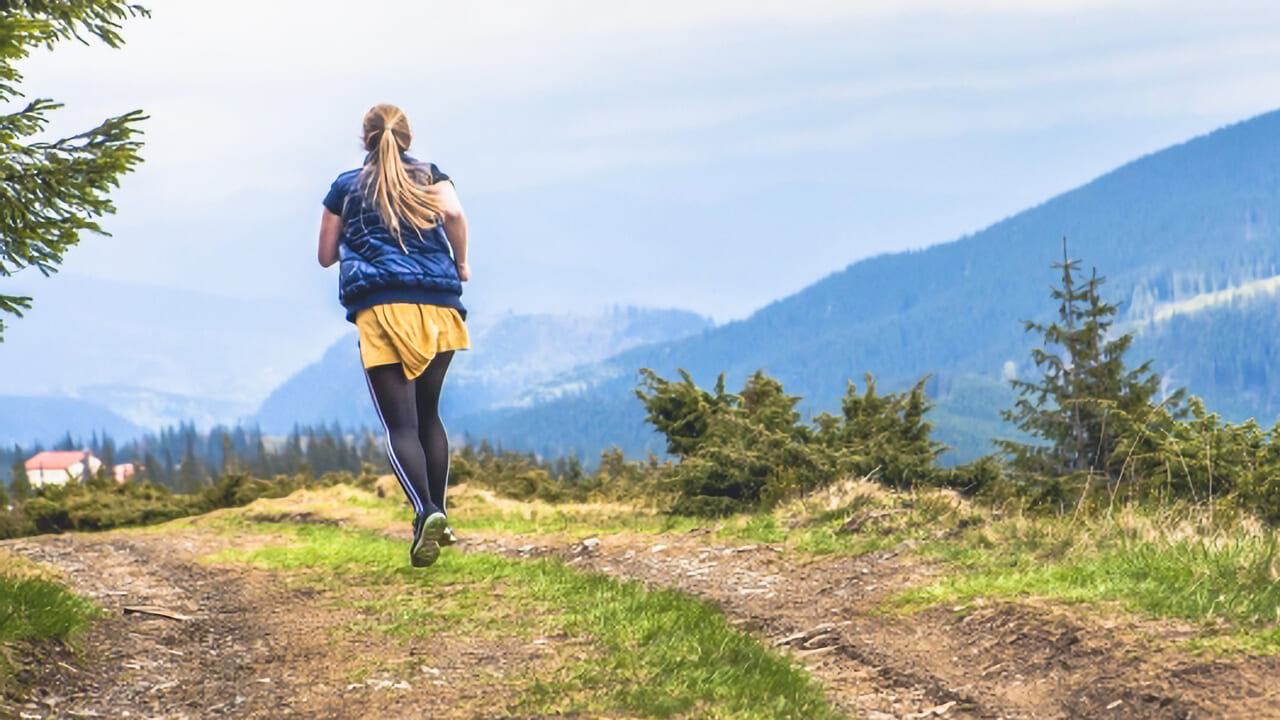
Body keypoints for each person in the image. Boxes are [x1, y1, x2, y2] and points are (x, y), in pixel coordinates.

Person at [317, 103, 471, 568]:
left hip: (382, 308)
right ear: (407, 137)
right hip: (439, 307)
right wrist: (460, 264)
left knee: (400, 425)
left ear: (365, 139)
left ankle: (425, 512)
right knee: (430, 417)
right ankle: (440, 512)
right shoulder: (432, 177)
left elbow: (325, 256)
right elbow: (456, 216)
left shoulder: (345, 187)